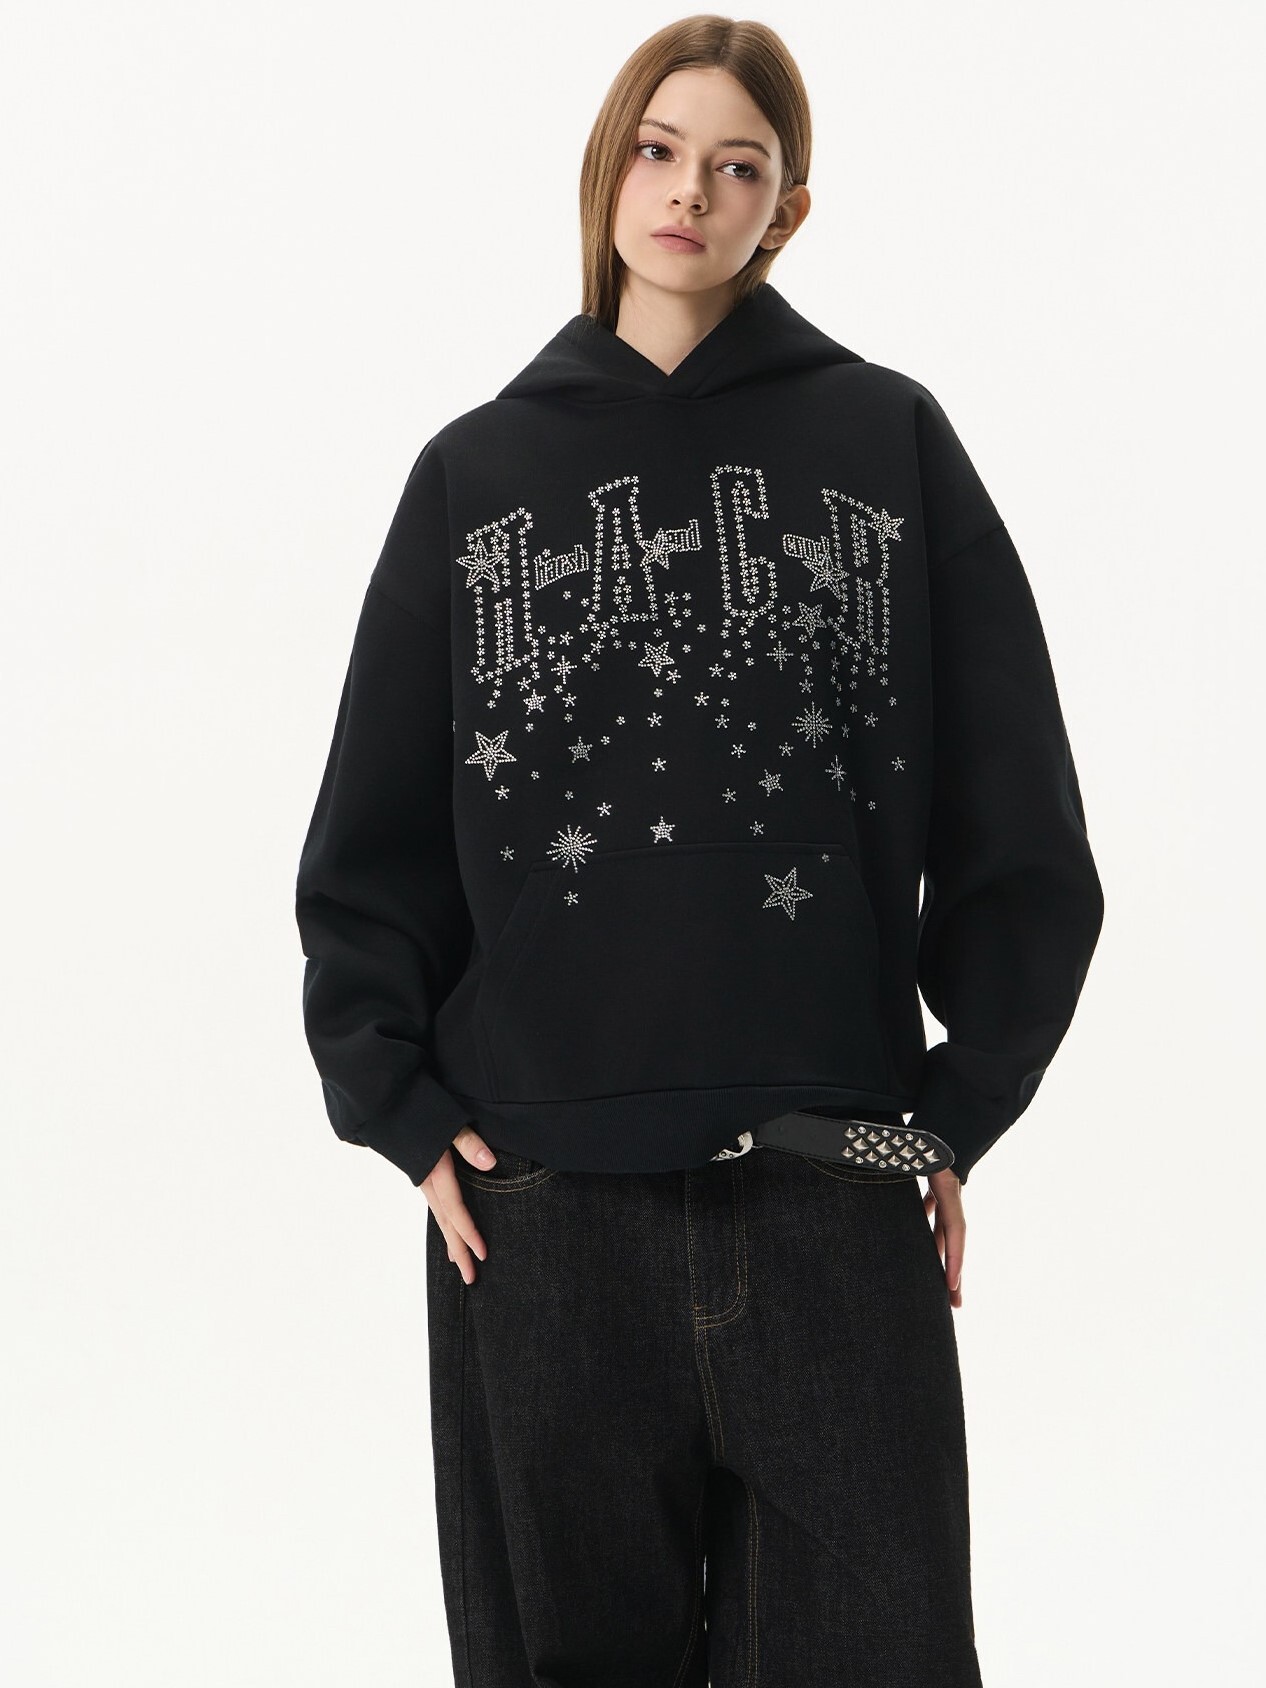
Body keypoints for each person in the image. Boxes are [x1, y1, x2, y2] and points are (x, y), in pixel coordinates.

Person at [294, 15, 1104, 1685]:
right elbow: (370, 840)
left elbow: (1018, 811)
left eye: (738, 167)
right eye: (660, 152)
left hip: (829, 1179)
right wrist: (400, 1105)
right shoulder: (475, 475)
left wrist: (955, 1109)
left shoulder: (884, 441)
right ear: (608, 172)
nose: (690, 194)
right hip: (539, 1208)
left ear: (784, 210)